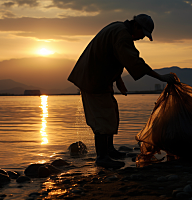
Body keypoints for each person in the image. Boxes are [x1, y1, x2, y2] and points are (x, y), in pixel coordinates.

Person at [68, 14, 176, 168]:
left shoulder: (118, 28)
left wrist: (118, 80)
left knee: (111, 110)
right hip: (92, 80)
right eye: (142, 34)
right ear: (136, 26)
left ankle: (109, 150)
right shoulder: (122, 34)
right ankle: (102, 157)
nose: (141, 38)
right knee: (102, 117)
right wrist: (160, 77)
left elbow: (114, 56)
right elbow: (133, 60)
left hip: (98, 79)